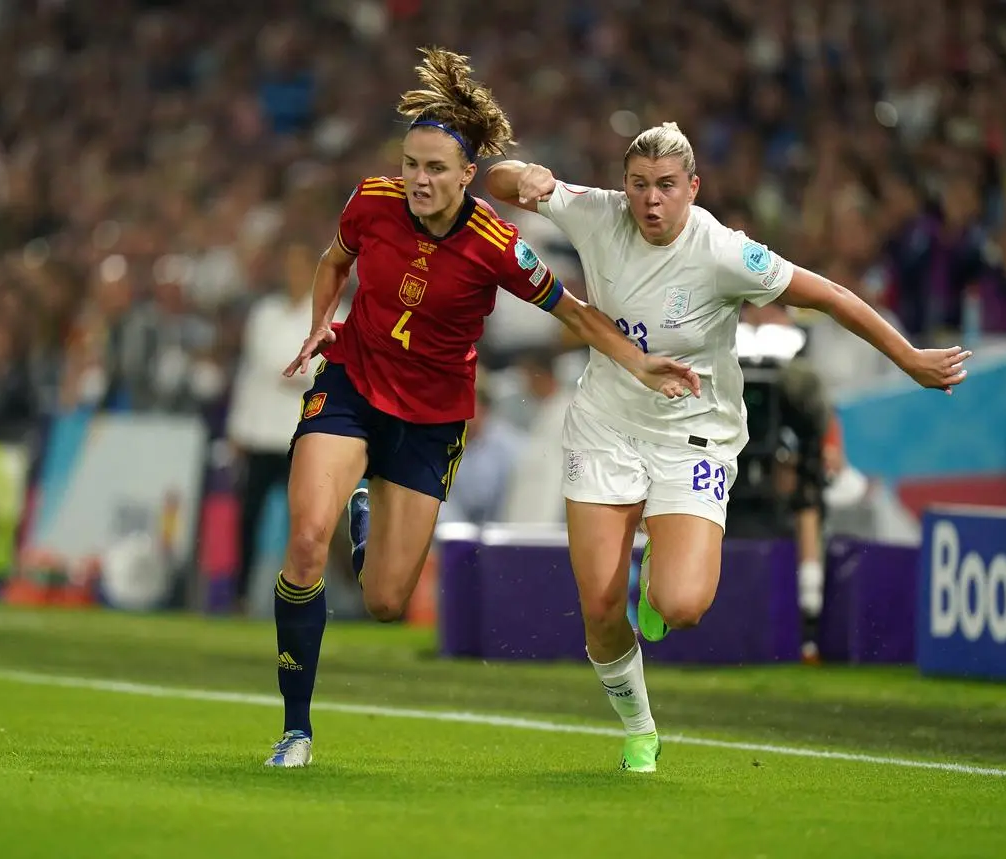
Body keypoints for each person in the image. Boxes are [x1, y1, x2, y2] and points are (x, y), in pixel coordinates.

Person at [485, 122, 972, 772]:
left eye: (665, 186)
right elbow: (494, 181)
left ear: (692, 187)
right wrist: (528, 178)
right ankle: (640, 726)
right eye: (638, 185)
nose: (650, 200)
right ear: (624, 185)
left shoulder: (723, 252)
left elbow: (828, 295)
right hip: (607, 424)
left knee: (681, 606)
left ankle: (660, 560)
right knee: (601, 605)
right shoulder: (596, 213)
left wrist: (908, 356)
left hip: (692, 434)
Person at [265, 48, 700, 768]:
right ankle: (296, 728)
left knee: (384, 601)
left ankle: (368, 514)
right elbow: (333, 260)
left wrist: (640, 361)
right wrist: (321, 320)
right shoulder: (371, 201)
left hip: (430, 419)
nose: (418, 180)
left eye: (435, 168)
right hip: (350, 381)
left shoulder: (497, 246)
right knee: (308, 539)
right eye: (411, 164)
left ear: (468, 176)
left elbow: (577, 313)